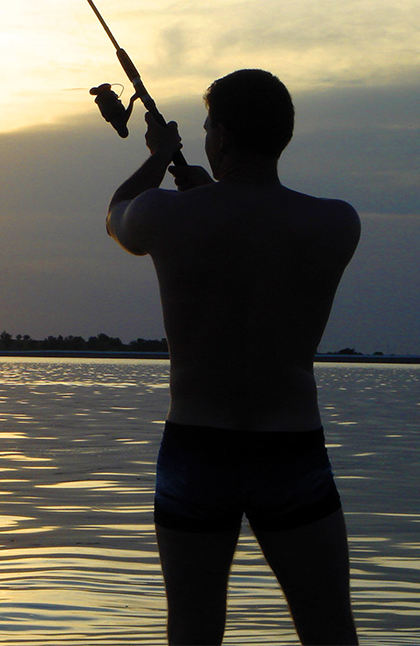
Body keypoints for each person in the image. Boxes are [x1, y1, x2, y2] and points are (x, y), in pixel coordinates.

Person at [106, 69, 360, 645]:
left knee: (193, 629)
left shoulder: (167, 215)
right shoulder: (336, 222)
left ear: (220, 137)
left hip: (197, 450)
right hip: (291, 448)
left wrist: (159, 156)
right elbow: (250, 229)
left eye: (205, 130)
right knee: (328, 627)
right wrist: (207, 192)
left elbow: (118, 213)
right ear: (282, 134)